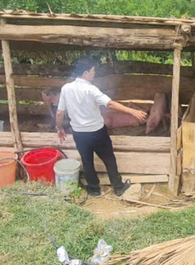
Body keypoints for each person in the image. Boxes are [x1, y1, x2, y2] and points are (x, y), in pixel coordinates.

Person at [56, 57, 147, 197]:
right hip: (97, 133)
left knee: (87, 161)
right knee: (109, 159)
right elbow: (110, 104)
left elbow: (59, 112)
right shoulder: (91, 89)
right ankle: (118, 187)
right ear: (85, 73)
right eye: (93, 71)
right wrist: (133, 111)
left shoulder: (66, 88)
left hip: (79, 134)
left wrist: (59, 128)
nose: (94, 73)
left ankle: (94, 189)